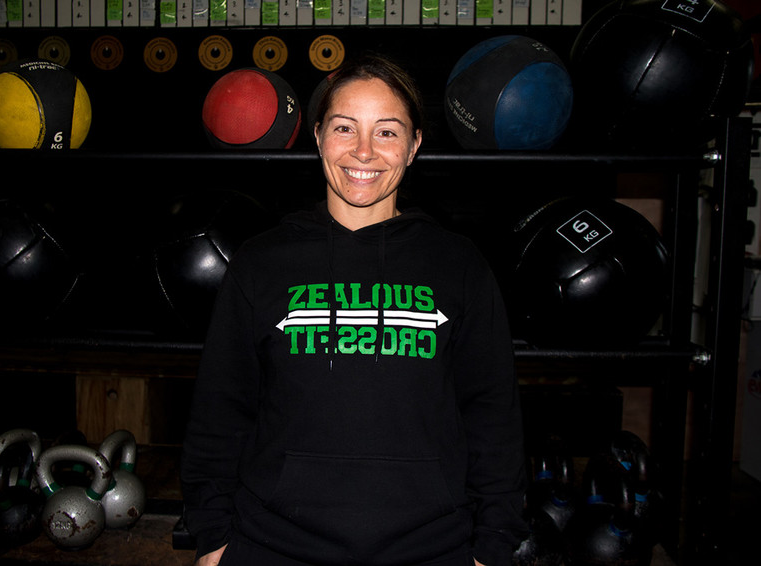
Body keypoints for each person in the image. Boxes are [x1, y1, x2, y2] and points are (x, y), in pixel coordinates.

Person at [180, 53, 528, 566]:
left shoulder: (458, 265)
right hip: (274, 546)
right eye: (346, 128)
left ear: (413, 147)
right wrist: (212, 541)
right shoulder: (262, 263)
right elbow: (220, 410)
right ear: (318, 136)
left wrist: (491, 548)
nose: (363, 152)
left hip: (431, 549)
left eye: (387, 132)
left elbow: (493, 416)